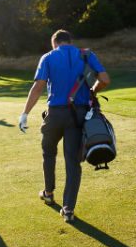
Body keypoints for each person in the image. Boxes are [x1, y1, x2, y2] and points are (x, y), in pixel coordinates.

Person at [18, 29, 110, 222]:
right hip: (79, 115)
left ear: (55, 43)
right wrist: (93, 90)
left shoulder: (48, 57)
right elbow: (105, 80)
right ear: (70, 41)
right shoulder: (86, 54)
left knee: (48, 152)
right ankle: (68, 210)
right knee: (72, 162)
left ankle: (49, 193)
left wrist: (25, 113)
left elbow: (38, 87)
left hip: (55, 114)